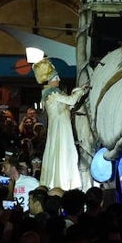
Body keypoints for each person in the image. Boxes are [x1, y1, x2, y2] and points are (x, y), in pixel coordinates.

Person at [32, 58, 85, 192]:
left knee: (59, 154)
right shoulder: (52, 94)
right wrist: (79, 91)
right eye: (57, 77)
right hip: (61, 130)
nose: (59, 80)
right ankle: (62, 184)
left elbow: (68, 104)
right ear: (50, 79)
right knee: (63, 154)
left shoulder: (52, 94)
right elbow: (71, 101)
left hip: (60, 129)